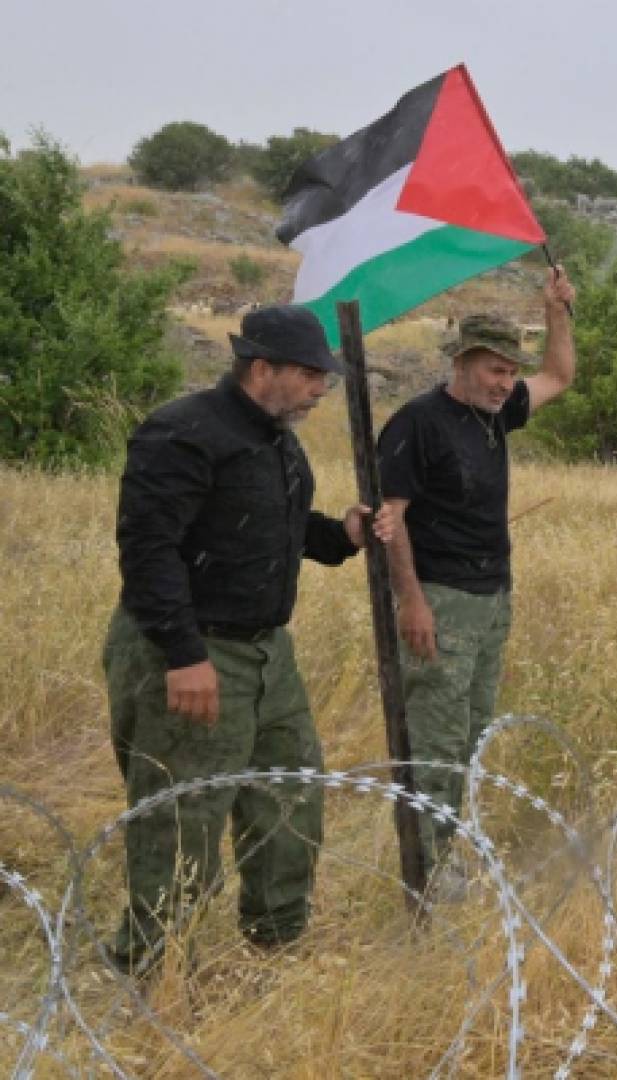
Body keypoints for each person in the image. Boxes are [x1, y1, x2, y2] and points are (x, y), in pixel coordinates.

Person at [105, 305, 393, 973]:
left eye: (327, 375)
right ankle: (152, 968)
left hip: (269, 656)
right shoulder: (181, 434)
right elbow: (149, 553)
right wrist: (185, 655)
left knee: (290, 797)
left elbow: (276, 535)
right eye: (312, 374)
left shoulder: (277, 441)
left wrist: (341, 535)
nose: (323, 387)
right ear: (262, 368)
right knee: (184, 816)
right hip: (190, 653)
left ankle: (276, 946)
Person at [376, 267, 576, 889]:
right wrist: (411, 600)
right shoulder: (417, 423)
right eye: (495, 369)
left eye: (511, 371)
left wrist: (557, 311)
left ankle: (444, 853)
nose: (506, 382)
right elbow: (391, 522)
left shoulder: (498, 415)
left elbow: (560, 376)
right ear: (461, 363)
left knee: (467, 736)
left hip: (492, 600)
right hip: (440, 600)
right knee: (434, 740)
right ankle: (426, 870)